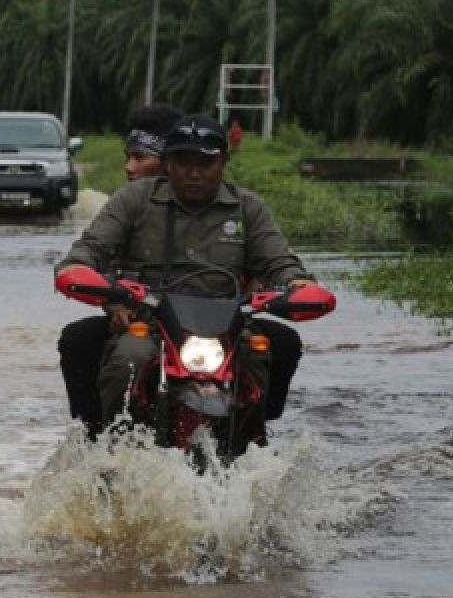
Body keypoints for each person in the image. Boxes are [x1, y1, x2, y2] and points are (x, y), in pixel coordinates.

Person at [56, 114, 315, 429]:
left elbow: (279, 261)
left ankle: (253, 445)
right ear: (167, 164)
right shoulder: (135, 199)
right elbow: (92, 247)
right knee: (130, 357)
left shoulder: (248, 208)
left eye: (205, 164)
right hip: (149, 324)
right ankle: (115, 444)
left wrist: (298, 284)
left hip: (227, 330)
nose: (194, 173)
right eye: (183, 162)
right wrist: (79, 269)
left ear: (223, 163)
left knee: (260, 353)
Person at [56, 103, 183, 437]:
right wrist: (114, 304)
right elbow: (94, 256)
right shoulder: (127, 203)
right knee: (78, 340)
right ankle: (98, 435)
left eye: (140, 158)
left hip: (208, 328)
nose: (130, 167)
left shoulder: (230, 204)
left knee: (279, 344)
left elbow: (266, 261)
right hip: (142, 320)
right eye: (128, 157)